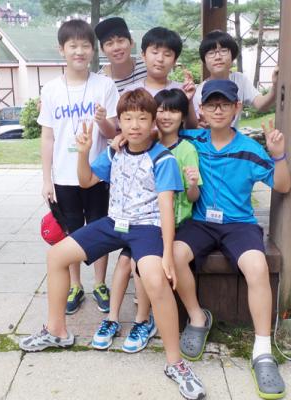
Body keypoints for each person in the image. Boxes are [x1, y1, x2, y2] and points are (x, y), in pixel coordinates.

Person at [19, 88, 206, 400]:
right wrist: (83, 152)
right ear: (120, 122)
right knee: (57, 255)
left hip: (146, 227)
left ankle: (175, 363)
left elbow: (166, 209)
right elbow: (86, 181)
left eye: (142, 118)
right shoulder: (114, 152)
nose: (135, 125)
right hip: (113, 222)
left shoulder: (163, 159)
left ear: (153, 122)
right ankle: (56, 330)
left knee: (155, 279)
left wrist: (167, 256)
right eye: (128, 118)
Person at [175, 80, 290, 399]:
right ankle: (198, 317)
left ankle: (262, 351)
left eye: (224, 104)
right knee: (174, 254)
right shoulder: (192, 139)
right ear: (201, 109)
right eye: (211, 104)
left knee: (257, 267)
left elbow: (282, 186)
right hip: (201, 222)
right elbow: (159, 134)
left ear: (237, 108)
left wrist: (279, 156)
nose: (218, 110)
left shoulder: (250, 149)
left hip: (239, 224)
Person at [91, 88, 202, 354]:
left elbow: (192, 195)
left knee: (138, 264)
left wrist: (192, 183)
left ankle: (143, 319)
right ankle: (112, 318)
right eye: (161, 110)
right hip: (141, 222)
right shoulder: (141, 142)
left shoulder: (184, 149)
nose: (165, 116)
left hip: (171, 223)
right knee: (123, 262)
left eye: (173, 110)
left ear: (183, 116)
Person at [38, 19, 120, 315]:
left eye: (85, 45)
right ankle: (75, 285)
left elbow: (113, 132)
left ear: (93, 50)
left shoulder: (105, 85)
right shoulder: (51, 90)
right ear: (61, 50)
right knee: (70, 231)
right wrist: (46, 179)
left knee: (100, 227)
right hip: (63, 176)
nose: (79, 51)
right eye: (73, 45)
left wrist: (102, 121)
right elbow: (47, 137)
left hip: (97, 174)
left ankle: (99, 284)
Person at [193, 30, 279, 128]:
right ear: (204, 60)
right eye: (211, 53)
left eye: (223, 51)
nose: (218, 57)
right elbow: (195, 125)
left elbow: (261, 105)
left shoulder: (239, 80)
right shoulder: (200, 92)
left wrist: (275, 86)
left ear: (232, 56)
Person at [123, 26, 197, 129]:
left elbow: (192, 128)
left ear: (175, 61)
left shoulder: (182, 90)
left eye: (167, 54)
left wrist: (188, 101)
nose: (160, 59)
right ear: (143, 55)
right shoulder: (131, 92)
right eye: (155, 52)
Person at [95, 17, 147, 94]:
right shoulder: (99, 82)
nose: (116, 48)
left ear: (131, 42)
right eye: (109, 44)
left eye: (120, 41)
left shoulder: (146, 67)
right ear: (102, 50)